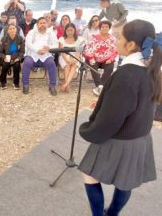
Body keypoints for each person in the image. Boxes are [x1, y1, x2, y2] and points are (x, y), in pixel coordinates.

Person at [78, 19, 161, 216]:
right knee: (126, 181)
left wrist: (88, 129)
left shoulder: (127, 74)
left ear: (131, 45)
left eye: (120, 37)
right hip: (140, 137)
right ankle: (112, 213)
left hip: (120, 138)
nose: (116, 40)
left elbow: (111, 119)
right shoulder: (150, 68)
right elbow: (138, 103)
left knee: (89, 174)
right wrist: (104, 102)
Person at [22, 17, 58, 95]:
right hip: (32, 55)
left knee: (52, 63)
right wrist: (37, 50)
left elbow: (56, 44)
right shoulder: (32, 32)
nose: (42, 25)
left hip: (46, 56)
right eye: (40, 23)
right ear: (37, 24)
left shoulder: (51, 33)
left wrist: (49, 48)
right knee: (27, 63)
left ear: (47, 24)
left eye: (44, 23)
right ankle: (25, 85)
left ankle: (52, 86)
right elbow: (28, 44)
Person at [83, 20, 118, 96]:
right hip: (95, 59)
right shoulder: (94, 38)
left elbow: (115, 51)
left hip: (106, 60)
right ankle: (99, 86)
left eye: (106, 27)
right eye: (102, 27)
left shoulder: (112, 39)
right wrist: (91, 57)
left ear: (109, 28)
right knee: (92, 64)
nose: (104, 28)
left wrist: (110, 59)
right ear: (100, 28)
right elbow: (88, 48)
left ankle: (101, 86)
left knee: (110, 66)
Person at [0, 24, 25, 90]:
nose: (12, 30)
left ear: (16, 29)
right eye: (10, 29)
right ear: (8, 31)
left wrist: (18, 58)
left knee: (17, 65)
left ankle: (16, 83)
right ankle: (3, 82)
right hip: (6, 57)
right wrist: (4, 57)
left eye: (13, 28)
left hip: (16, 57)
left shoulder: (20, 38)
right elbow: (0, 52)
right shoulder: (4, 39)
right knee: (5, 65)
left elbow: (22, 51)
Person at [58, 23, 83, 92]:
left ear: (74, 30)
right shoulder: (62, 39)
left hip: (76, 56)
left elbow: (78, 52)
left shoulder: (79, 39)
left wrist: (75, 59)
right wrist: (67, 60)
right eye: (68, 30)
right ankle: (67, 84)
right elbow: (62, 52)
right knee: (67, 65)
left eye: (71, 30)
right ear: (65, 31)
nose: (69, 32)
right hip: (64, 57)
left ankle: (66, 84)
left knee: (74, 65)